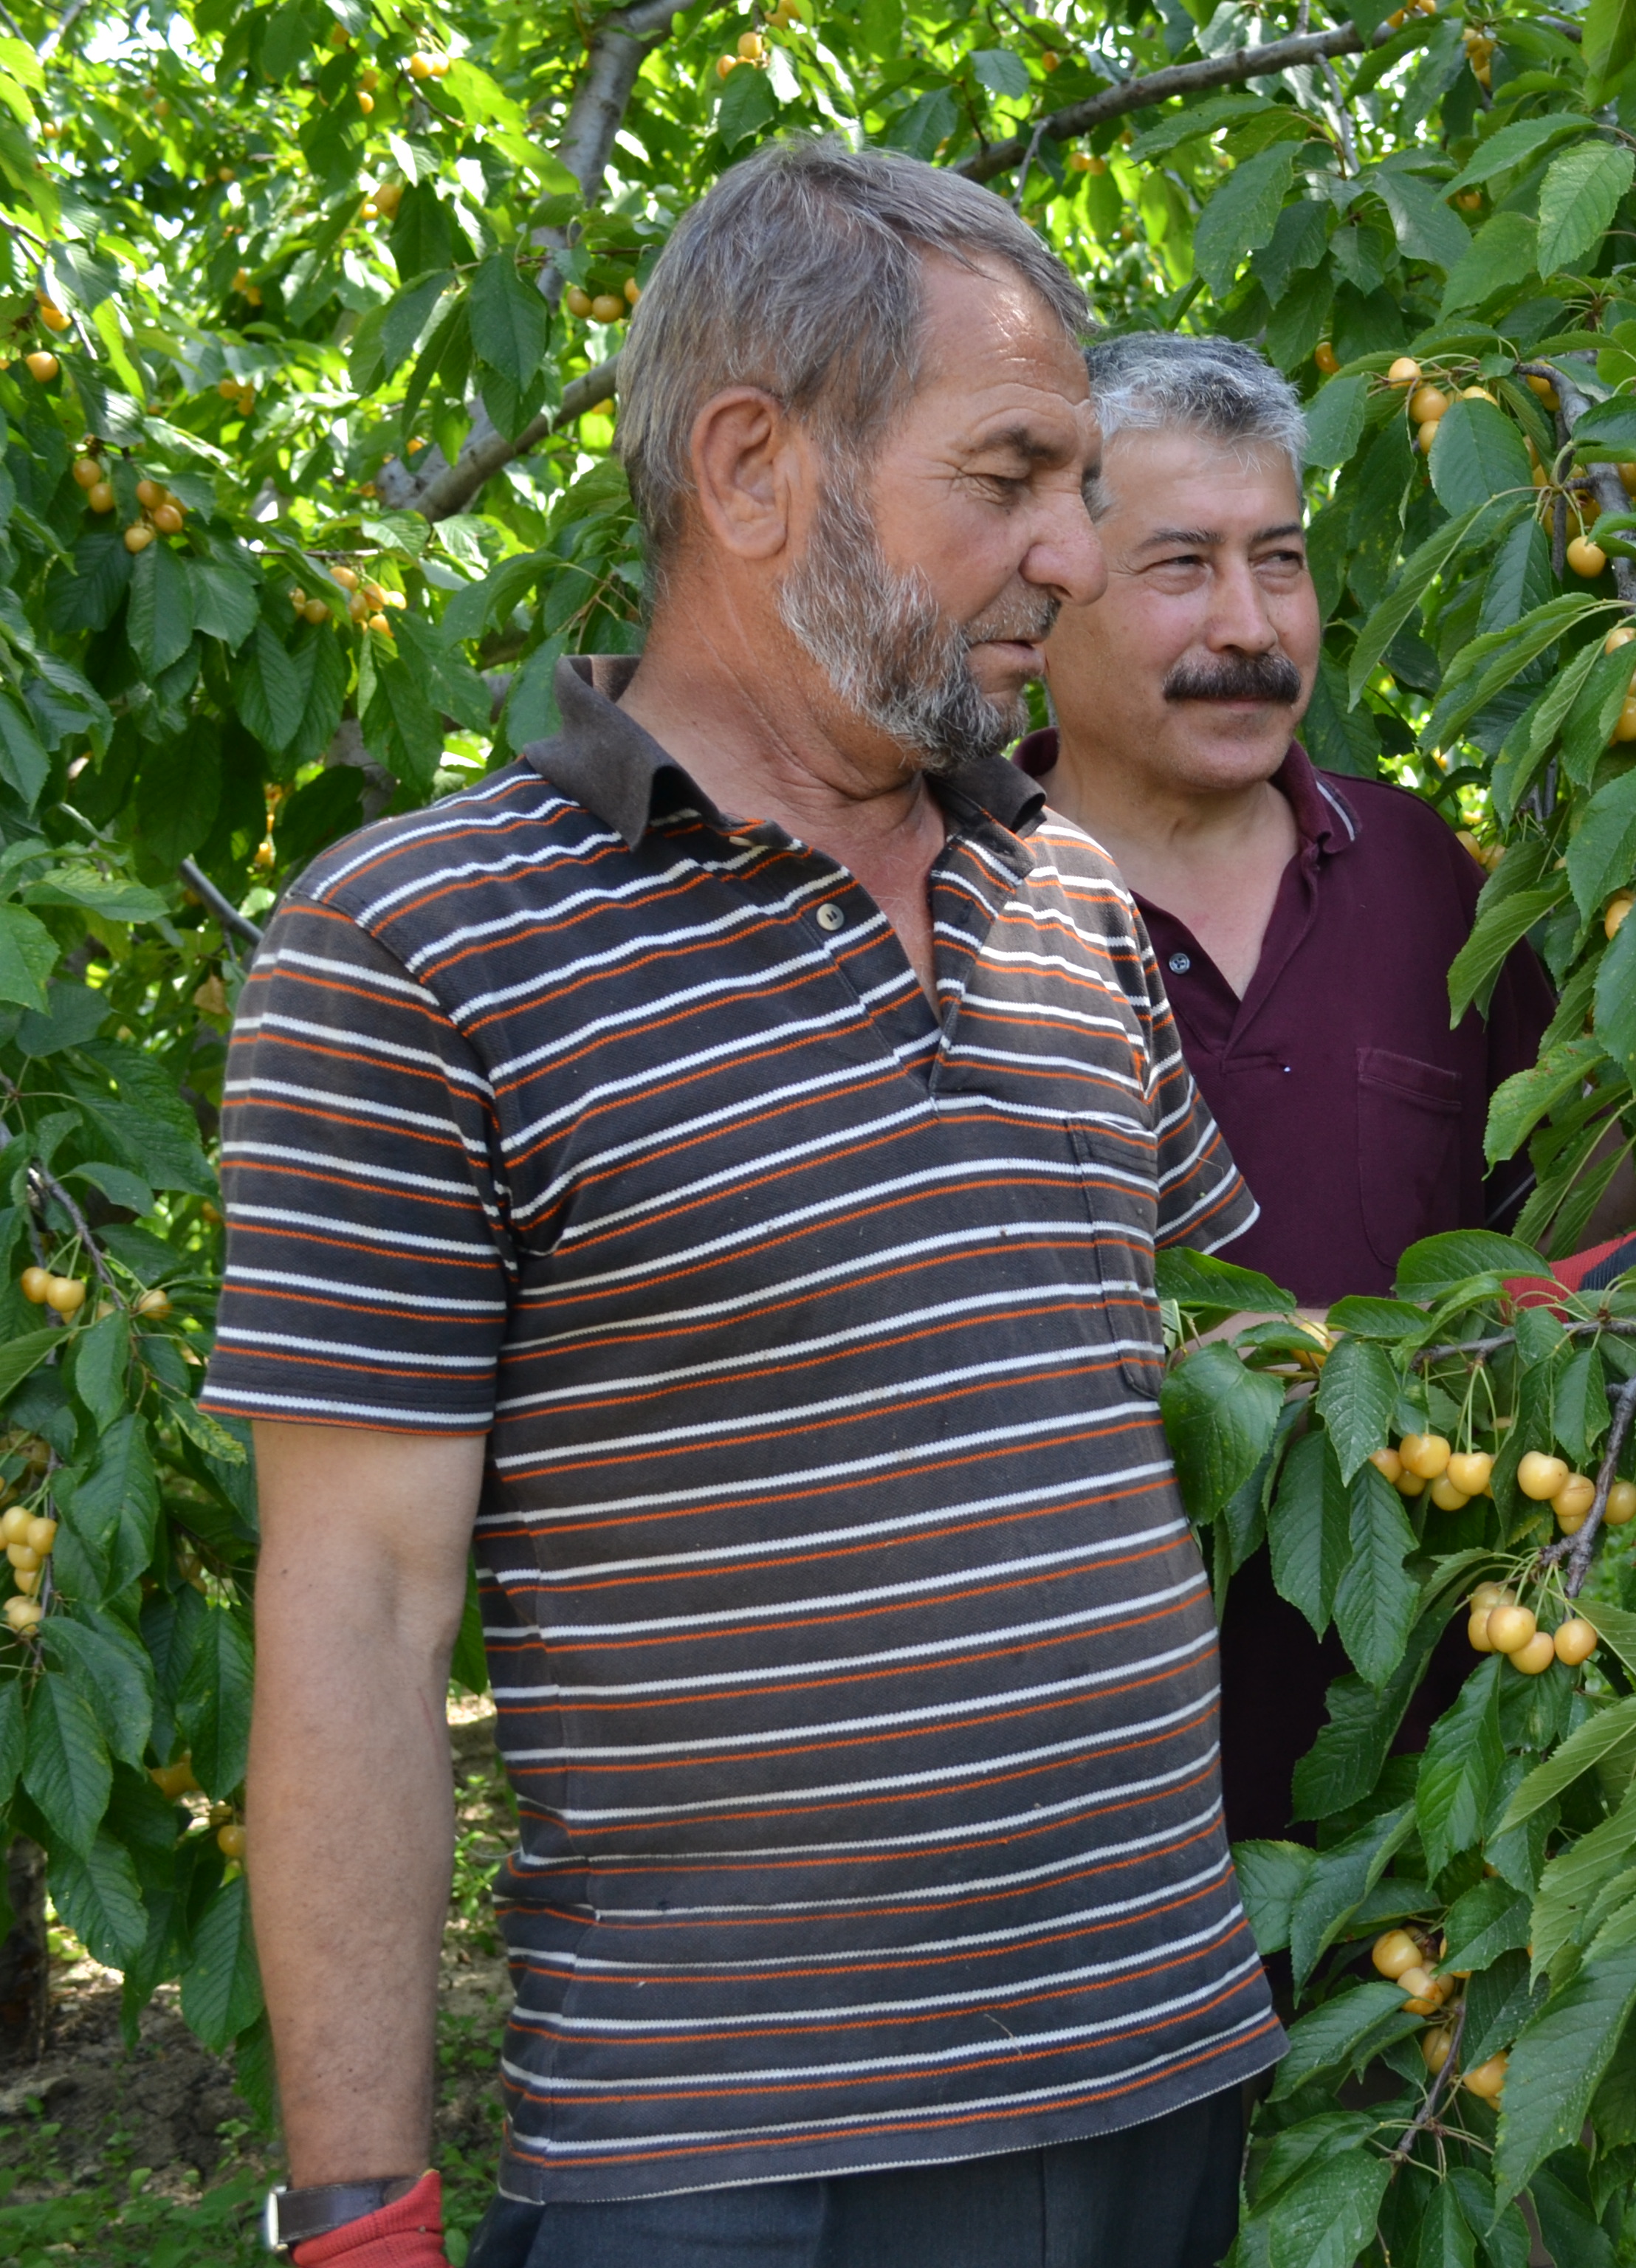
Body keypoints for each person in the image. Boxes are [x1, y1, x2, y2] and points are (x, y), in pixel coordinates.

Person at [211, 142, 1279, 2268]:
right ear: (751, 466)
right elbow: (354, 1614)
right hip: (742, 2165)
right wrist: (358, 2212)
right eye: (1012, 473)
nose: (1071, 550)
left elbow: (1202, 1380)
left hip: (1170, 2074)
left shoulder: (1065, 892)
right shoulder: (419, 949)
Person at [1023, 333, 1561, 1847]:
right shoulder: (951, 908)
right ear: (1050, 581)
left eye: (1282, 561)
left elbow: (1579, 1232)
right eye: (1182, 567)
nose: (1252, 628)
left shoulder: (1427, 880)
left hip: (1417, 1816)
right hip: (1075, 1822)